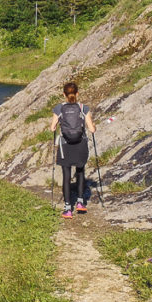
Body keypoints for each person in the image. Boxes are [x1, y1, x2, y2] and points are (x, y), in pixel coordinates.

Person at [49, 81, 95, 218]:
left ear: (64, 94)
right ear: (77, 94)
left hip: (65, 146)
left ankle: (68, 208)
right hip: (80, 145)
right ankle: (81, 203)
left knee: (66, 176)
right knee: (80, 172)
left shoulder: (59, 108)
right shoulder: (83, 108)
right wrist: (94, 126)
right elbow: (91, 129)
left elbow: (52, 128)